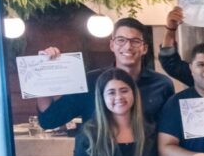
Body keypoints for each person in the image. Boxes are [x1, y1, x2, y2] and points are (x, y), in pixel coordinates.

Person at [36, 17, 174, 129]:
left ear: (144, 48)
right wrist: (44, 70)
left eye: (135, 41)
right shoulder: (89, 81)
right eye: (121, 40)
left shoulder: (162, 84)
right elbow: (49, 120)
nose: (128, 46)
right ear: (112, 45)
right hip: (96, 155)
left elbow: (169, 131)